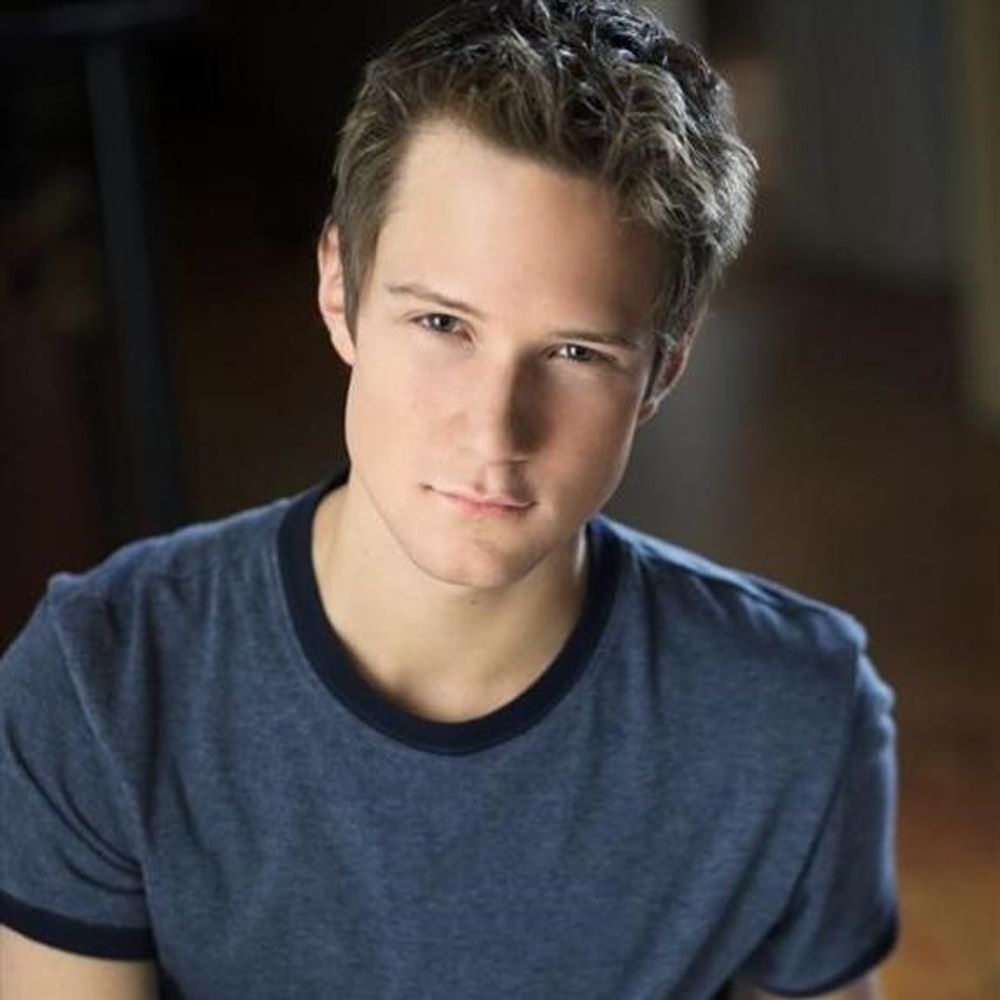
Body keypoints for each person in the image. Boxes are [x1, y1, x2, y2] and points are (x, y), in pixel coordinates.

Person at [0, 1, 898, 997]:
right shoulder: (101, 683)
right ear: (339, 289)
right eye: (441, 323)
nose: (492, 430)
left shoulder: (792, 717)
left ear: (664, 370)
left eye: (576, 352)